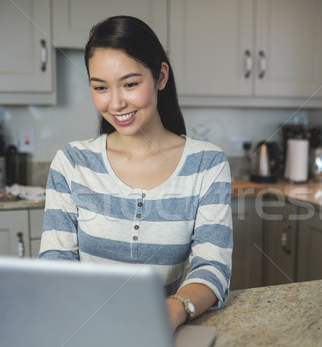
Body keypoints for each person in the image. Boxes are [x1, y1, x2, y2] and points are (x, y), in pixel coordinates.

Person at [39, 16, 232, 331]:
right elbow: (54, 263)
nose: (115, 103)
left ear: (160, 77)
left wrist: (175, 309)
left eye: (130, 84)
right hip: (83, 328)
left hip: (162, 332)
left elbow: (213, 268)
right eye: (100, 87)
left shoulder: (206, 164)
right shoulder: (71, 163)